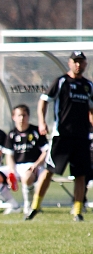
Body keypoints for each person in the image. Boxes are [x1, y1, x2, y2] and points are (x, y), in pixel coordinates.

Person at [26, 51, 93, 222]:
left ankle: (77, 210)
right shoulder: (61, 81)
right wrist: (42, 122)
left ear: (85, 64)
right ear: (70, 63)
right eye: (75, 61)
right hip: (62, 136)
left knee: (81, 175)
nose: (78, 65)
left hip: (82, 137)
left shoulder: (88, 86)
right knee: (49, 171)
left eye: (81, 62)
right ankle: (35, 206)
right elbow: (43, 100)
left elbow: (91, 109)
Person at [0, 104, 48, 216]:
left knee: (27, 177)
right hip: (17, 166)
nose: (21, 118)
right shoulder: (11, 134)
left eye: (24, 115)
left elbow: (46, 151)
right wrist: (12, 171)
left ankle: (29, 206)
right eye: (19, 115)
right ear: (13, 117)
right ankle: (13, 205)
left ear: (28, 116)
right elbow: (9, 155)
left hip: (34, 166)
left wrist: (36, 164)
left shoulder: (36, 131)